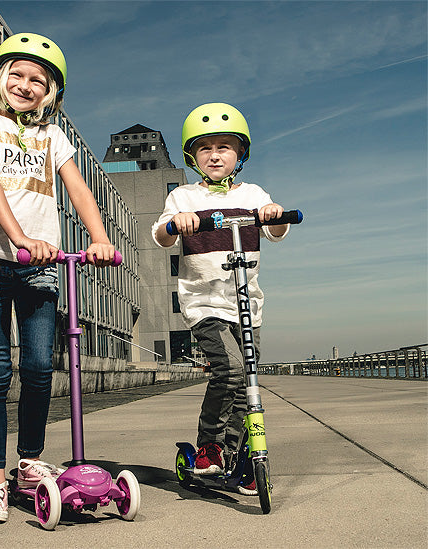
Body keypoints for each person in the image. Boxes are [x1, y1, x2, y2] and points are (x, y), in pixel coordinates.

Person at [0, 32, 115, 523]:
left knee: (39, 371)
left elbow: (79, 187)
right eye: (18, 75)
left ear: (51, 94)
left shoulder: (52, 137)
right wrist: (21, 238)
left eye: (38, 81)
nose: (26, 85)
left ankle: (28, 463)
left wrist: (101, 237)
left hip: (41, 269)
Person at [152, 103, 290, 495]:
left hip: (247, 305)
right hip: (204, 303)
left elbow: (277, 230)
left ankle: (237, 454)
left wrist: (272, 212)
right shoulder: (183, 197)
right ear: (192, 156)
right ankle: (210, 446)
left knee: (248, 384)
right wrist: (175, 224)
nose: (215, 155)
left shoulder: (253, 193)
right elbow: (160, 236)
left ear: (240, 154)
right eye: (205, 148)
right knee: (228, 370)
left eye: (225, 147)